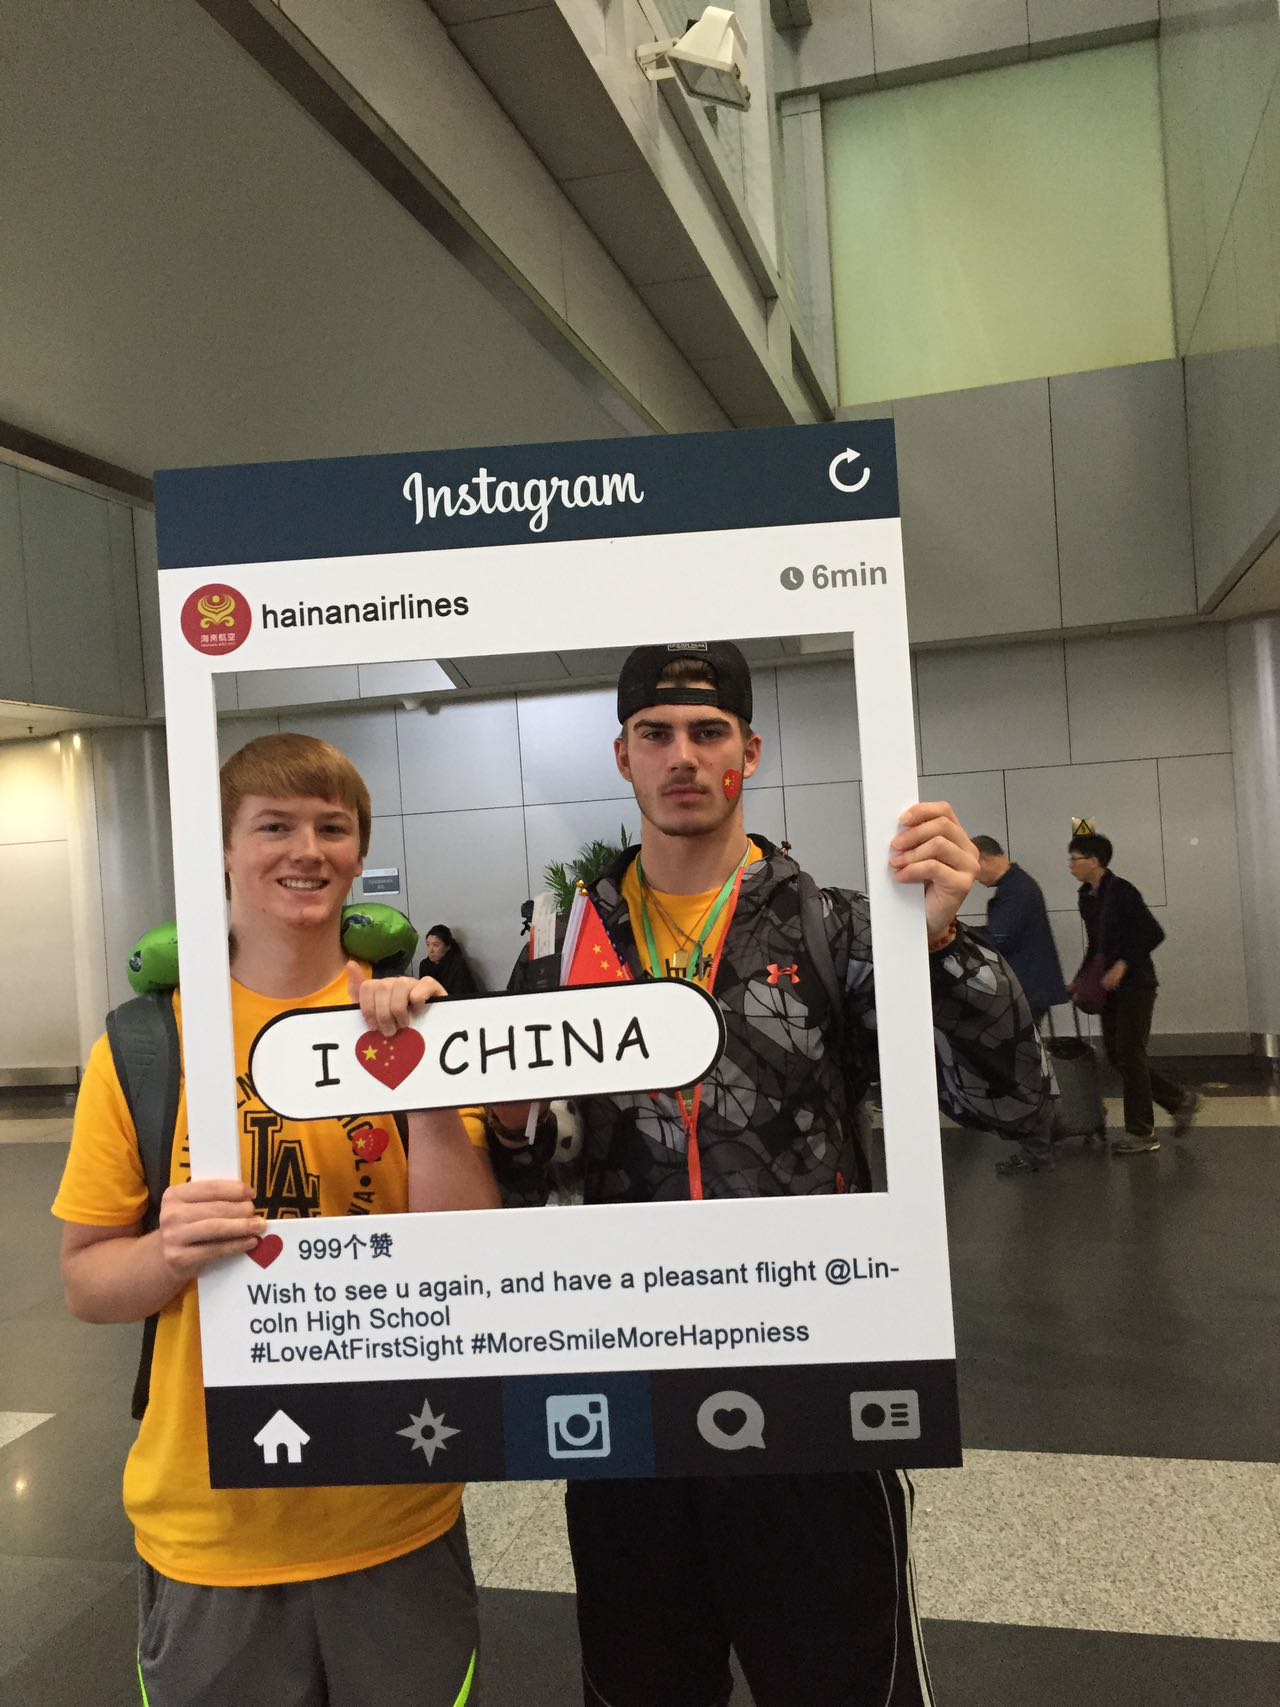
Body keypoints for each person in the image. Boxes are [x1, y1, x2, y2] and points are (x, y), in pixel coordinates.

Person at [472, 641, 1048, 1707]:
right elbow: (524, 1169)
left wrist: (941, 946)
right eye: (656, 734)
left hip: (815, 1386)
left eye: (707, 732)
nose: (680, 756)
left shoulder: (836, 927)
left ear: (750, 752)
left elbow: (1008, 1099)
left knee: (837, 1678)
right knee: (642, 1683)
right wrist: (501, 1125)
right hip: (625, 1388)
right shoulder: (562, 947)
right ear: (622, 756)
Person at [53, 733, 497, 1707]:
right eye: (273, 826)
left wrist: (423, 1072)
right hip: (210, 1519)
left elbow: (464, 1256)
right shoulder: (147, 1042)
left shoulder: (412, 1028)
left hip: (396, 1499)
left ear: (358, 852)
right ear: (223, 849)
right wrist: (169, 1252)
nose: (306, 849)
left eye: (331, 827)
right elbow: (88, 1282)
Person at [1067, 831, 1199, 1155]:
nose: (1070, 866)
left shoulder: (1122, 891)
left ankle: (1141, 1131)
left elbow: (1153, 932)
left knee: (1130, 1053)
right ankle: (1180, 1100)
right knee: (1116, 1054)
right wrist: (1082, 978)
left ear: (1094, 861)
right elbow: (1097, 945)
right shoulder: (1087, 897)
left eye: (1075, 859)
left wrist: (1124, 964)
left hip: (1137, 985)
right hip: (1109, 988)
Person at [974, 834, 1068, 1176]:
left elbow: (997, 937)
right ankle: (1051, 1135)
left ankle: (1038, 1149)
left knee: (1022, 1070)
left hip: (1026, 990)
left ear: (983, 858)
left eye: (972, 869)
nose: (971, 878)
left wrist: (953, 932)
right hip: (1033, 988)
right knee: (1033, 1066)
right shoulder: (1019, 886)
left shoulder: (1016, 892)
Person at [418, 922, 480, 995]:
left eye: (435, 945)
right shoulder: (424, 965)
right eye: (428, 945)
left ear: (447, 946)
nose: (430, 950)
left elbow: (462, 993)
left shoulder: (457, 964)